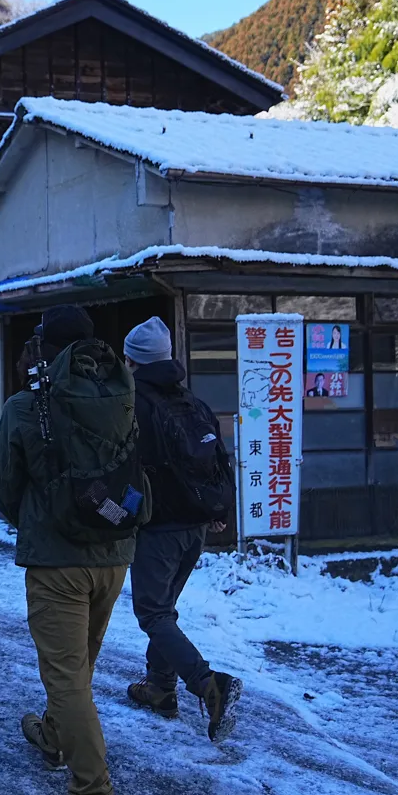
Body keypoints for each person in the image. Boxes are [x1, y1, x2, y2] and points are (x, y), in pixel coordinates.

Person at [0, 305, 146, 795]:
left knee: (66, 677)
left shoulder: (26, 405)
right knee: (78, 668)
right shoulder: (122, 397)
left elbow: (6, 486)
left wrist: (39, 521)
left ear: (44, 348)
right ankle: (55, 736)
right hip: (115, 553)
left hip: (56, 561)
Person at [121, 316, 243, 744]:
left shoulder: (133, 405)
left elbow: (123, 465)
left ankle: (208, 684)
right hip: (196, 526)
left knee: (153, 613)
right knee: (165, 609)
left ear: (132, 361)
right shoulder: (193, 402)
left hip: (158, 528)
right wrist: (218, 509)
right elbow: (218, 461)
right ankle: (159, 688)